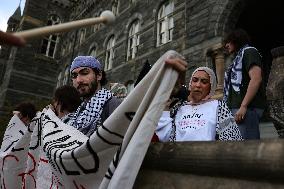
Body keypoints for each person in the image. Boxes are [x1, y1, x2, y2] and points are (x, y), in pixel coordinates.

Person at [156, 67, 243, 142]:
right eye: (195, 80)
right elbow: (166, 137)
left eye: (204, 82)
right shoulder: (179, 108)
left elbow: (232, 138)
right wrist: (165, 107)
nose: (198, 85)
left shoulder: (218, 106)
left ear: (211, 86)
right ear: (191, 84)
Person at [223, 28, 266, 139]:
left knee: (248, 149)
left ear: (236, 40)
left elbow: (256, 79)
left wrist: (243, 106)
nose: (226, 45)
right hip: (237, 108)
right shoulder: (237, 58)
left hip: (246, 109)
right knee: (239, 148)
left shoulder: (249, 52)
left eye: (229, 41)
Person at [67, 56, 122, 137]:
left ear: (99, 75)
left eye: (84, 73)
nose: (78, 80)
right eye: (74, 76)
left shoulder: (113, 105)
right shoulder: (78, 111)